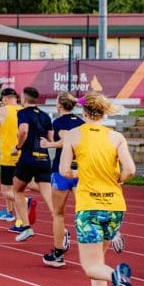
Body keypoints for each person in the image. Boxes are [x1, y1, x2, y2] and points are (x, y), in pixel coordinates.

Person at [59, 92, 136, 286]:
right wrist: (119, 180)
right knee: (98, 262)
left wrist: (78, 174)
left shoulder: (74, 135)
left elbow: (63, 171)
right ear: (102, 113)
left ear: (83, 113)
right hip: (114, 207)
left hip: (89, 207)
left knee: (90, 266)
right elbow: (131, 169)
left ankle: (117, 277)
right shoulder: (115, 137)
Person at [41, 91, 84, 267]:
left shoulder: (58, 122)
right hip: (80, 171)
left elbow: (67, 140)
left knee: (58, 214)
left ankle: (58, 253)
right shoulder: (81, 122)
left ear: (59, 105)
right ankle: (93, 252)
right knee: (84, 212)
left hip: (62, 170)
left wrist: (49, 144)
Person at [12, 87, 53, 242]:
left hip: (28, 158)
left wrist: (18, 147)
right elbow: (50, 138)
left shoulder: (22, 113)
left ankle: (27, 227)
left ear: (24, 99)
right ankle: (61, 228)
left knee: (17, 189)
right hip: (44, 159)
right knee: (48, 196)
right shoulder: (44, 116)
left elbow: (23, 130)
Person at [0, 88, 25, 223]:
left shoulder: (1, 111)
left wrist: (0, 133)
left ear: (4, 99)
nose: (1, 103)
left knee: (7, 189)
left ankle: (24, 202)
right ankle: (15, 216)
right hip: (22, 155)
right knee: (16, 188)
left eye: (2, 101)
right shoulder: (23, 110)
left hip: (8, 155)